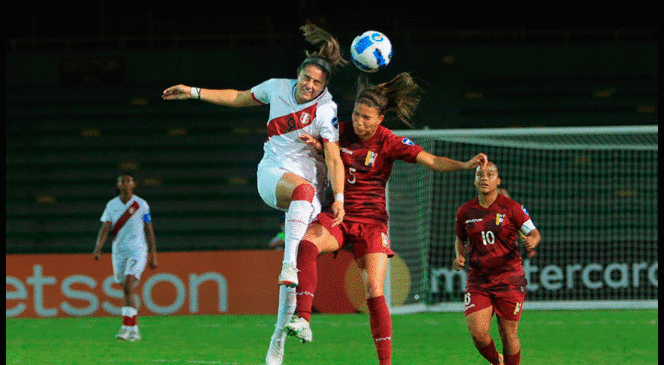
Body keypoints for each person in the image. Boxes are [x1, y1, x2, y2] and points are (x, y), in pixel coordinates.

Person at [162, 24, 347, 365]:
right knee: (299, 219)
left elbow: (334, 157)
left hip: (307, 196)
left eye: (316, 83)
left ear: (324, 87)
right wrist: (193, 91)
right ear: (298, 74)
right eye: (305, 78)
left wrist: (339, 198)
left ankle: (277, 341)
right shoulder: (277, 88)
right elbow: (238, 97)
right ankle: (288, 264)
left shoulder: (326, 110)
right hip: (272, 177)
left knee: (294, 276)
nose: (308, 85)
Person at [285, 73, 488, 365]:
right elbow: (325, 151)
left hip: (372, 223)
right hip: (339, 214)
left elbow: (431, 161)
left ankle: (385, 363)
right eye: (356, 114)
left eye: (367, 117)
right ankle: (303, 318)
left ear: (380, 118)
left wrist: (465, 165)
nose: (359, 121)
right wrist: (316, 145)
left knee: (375, 290)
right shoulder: (338, 131)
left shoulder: (390, 142)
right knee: (306, 245)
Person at [452, 163, 541, 365]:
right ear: (475, 181)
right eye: (480, 175)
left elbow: (534, 233)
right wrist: (460, 256)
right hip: (478, 281)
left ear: (497, 180)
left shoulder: (513, 207)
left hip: (509, 279)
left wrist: (532, 241)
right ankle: (497, 362)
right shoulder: (465, 211)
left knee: (508, 334)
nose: (484, 178)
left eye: (490, 174)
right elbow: (460, 238)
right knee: (478, 334)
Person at [93, 172, 158, 342]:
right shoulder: (111, 205)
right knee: (125, 288)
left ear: (134, 184)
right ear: (118, 185)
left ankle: (125, 327)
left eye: (128, 181)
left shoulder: (142, 205)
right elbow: (105, 227)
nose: (125, 183)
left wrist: (153, 255)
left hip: (138, 250)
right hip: (119, 252)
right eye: (122, 181)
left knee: (129, 285)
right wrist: (98, 248)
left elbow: (149, 229)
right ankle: (134, 330)